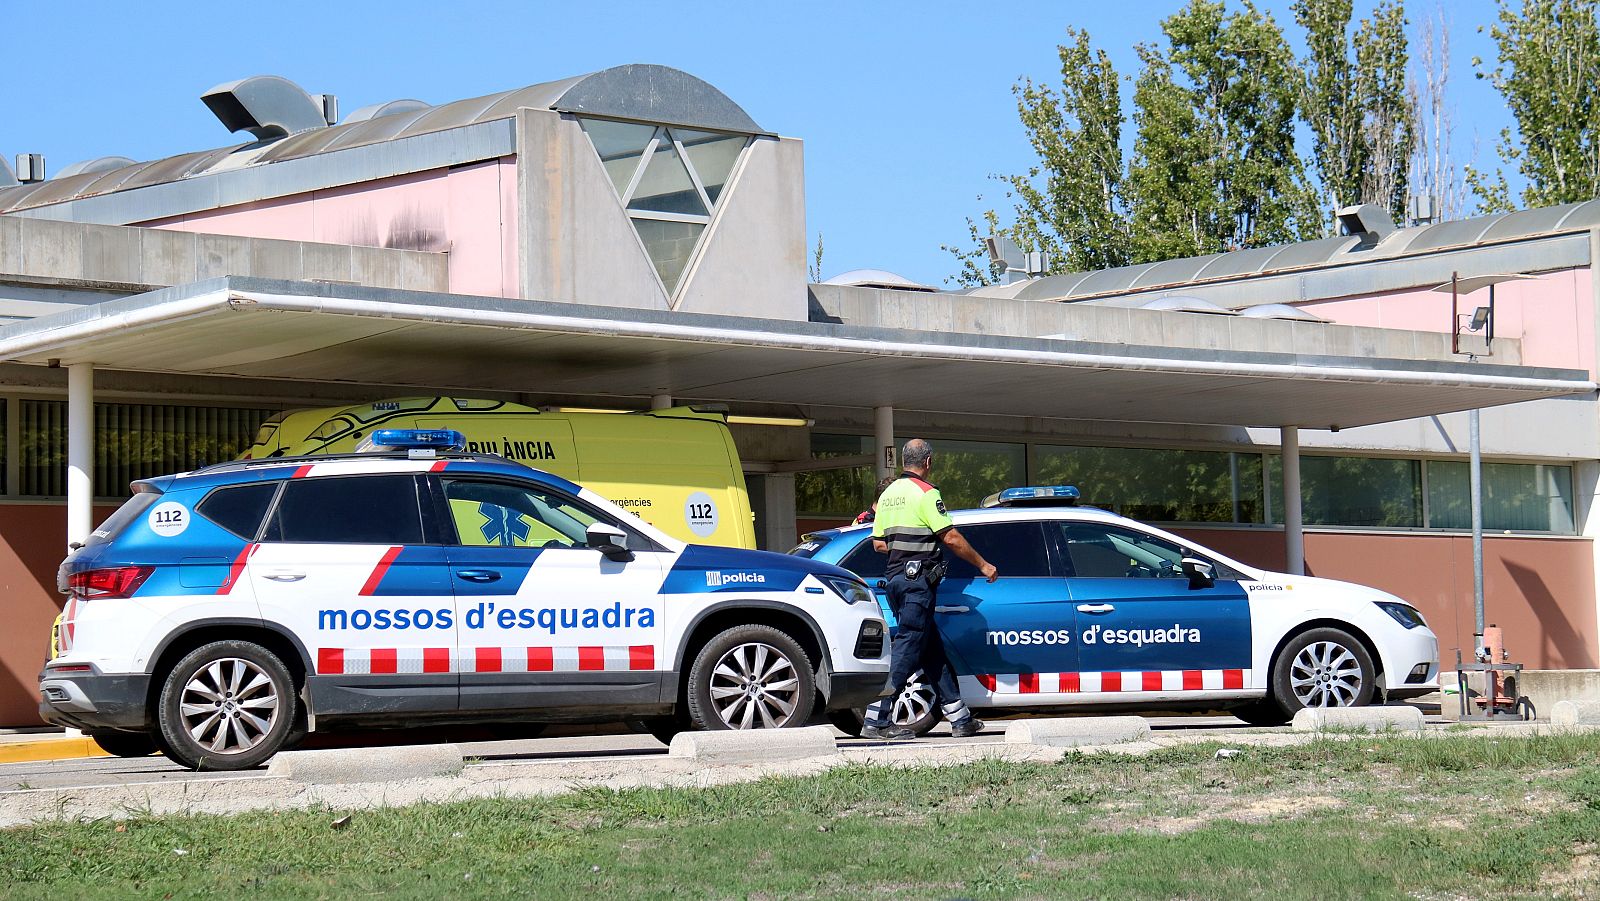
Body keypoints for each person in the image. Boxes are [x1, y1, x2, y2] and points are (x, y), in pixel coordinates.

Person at [861, 438, 997, 740]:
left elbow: (879, 543)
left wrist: (905, 550)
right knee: (909, 645)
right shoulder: (926, 493)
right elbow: (951, 538)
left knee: (931, 650)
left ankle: (960, 718)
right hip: (917, 584)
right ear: (928, 462)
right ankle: (877, 719)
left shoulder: (888, 495)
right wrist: (983, 565)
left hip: (895, 582)